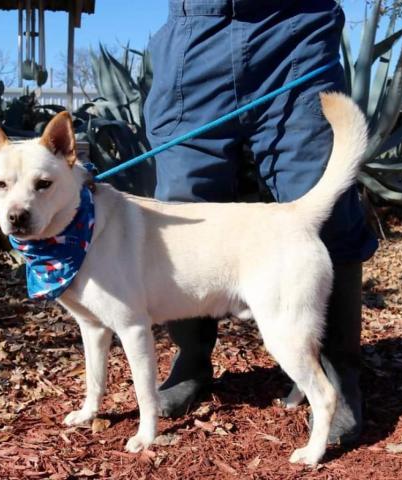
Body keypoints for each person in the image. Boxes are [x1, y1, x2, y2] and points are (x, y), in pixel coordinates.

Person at [143, 0, 378, 444]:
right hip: (196, 31)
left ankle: (337, 370)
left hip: (295, 26)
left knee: (323, 202)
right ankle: (192, 359)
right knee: (180, 203)